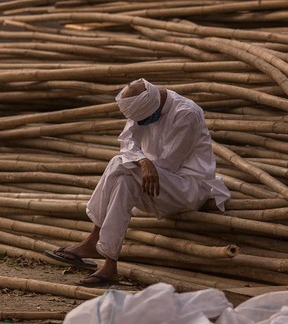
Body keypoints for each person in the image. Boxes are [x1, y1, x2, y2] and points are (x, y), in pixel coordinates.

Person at [45, 78, 230, 286]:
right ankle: (110, 265)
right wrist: (142, 161)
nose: (139, 124)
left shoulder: (186, 113)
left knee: (118, 163)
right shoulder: (142, 105)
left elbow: (167, 164)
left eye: (142, 120)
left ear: (153, 107)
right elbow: (126, 141)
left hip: (187, 188)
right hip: (153, 182)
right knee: (124, 183)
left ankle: (92, 240)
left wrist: (141, 162)